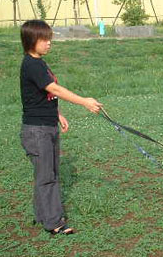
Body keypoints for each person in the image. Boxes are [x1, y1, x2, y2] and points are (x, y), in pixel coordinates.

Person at [19, 20, 102, 235]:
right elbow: (54, 88)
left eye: (49, 39)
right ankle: (54, 222)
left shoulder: (39, 63)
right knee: (47, 176)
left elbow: (38, 96)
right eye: (44, 40)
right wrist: (84, 101)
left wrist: (57, 114)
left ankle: (43, 215)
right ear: (31, 40)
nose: (49, 44)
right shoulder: (31, 64)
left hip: (46, 126)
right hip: (37, 131)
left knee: (49, 174)